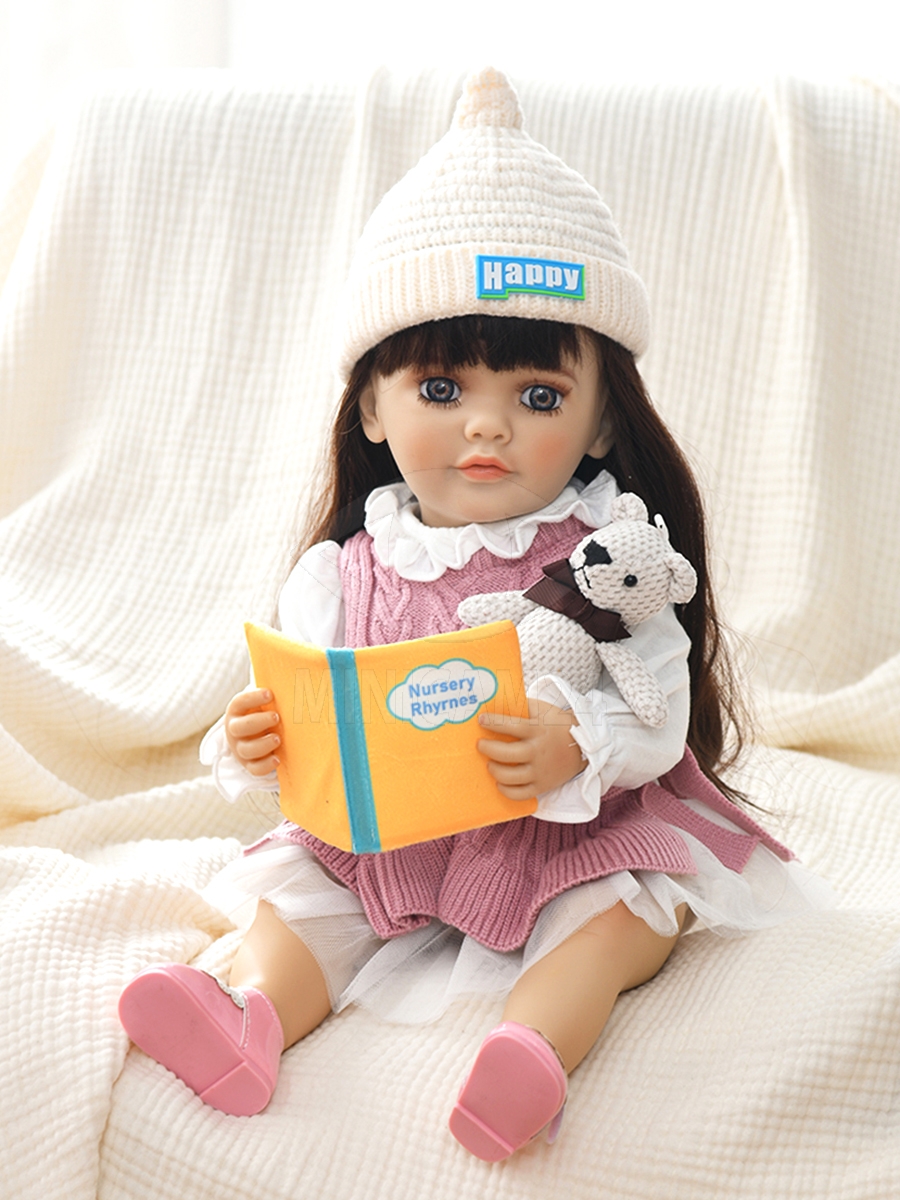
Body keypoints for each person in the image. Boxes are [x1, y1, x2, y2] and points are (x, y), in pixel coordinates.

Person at [118, 68, 830, 1160]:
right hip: (390, 841)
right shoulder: (344, 571)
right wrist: (259, 736)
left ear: (602, 423)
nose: (486, 428)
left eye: (538, 397)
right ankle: (250, 1015)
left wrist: (576, 746)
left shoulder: (608, 555)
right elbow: (301, 696)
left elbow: (656, 700)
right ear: (371, 404)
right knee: (298, 902)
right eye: (442, 390)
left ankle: (533, 1050)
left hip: (566, 833)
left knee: (621, 914)